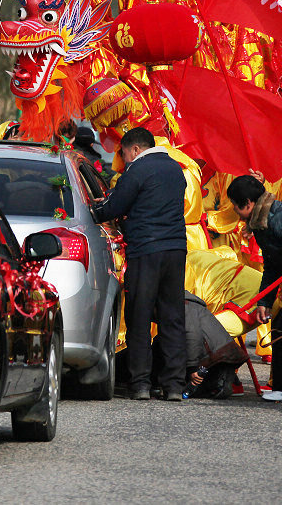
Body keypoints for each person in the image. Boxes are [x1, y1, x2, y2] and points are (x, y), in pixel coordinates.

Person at [92, 127, 188, 401]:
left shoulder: (137, 171)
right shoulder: (175, 169)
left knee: (140, 315)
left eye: (123, 153)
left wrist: (95, 209)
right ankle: (173, 386)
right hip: (175, 250)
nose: (124, 159)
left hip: (146, 250)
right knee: (172, 317)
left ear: (135, 149)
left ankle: (141, 384)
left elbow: (113, 208)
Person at [226, 175, 282, 403]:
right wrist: (264, 302)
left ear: (247, 203)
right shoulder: (261, 222)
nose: (234, 211)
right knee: (281, 324)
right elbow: (273, 266)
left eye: (236, 206)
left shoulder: (279, 217)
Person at [181, 291, 249, 399]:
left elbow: (192, 336)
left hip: (216, 358)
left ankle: (219, 382)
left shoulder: (185, 305)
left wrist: (192, 368)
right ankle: (226, 381)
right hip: (223, 355)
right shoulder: (189, 303)